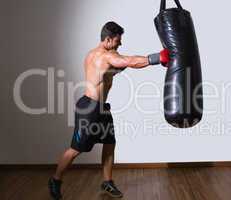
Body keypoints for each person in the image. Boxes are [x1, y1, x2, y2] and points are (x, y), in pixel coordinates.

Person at [48, 21, 169, 199]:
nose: (120, 44)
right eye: (118, 41)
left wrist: (133, 63)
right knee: (76, 148)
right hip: (89, 109)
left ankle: (107, 182)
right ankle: (55, 180)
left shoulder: (101, 54)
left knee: (109, 143)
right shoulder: (102, 56)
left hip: (101, 108)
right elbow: (128, 61)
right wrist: (157, 58)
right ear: (108, 39)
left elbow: (121, 64)